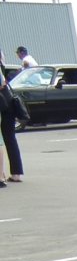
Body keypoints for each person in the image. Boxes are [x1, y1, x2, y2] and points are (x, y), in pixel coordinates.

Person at [0, 53, 24, 183]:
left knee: (5, 140)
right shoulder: (2, 65)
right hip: (7, 103)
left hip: (3, 105)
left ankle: (3, 174)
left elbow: (1, 84)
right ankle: (16, 172)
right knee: (10, 138)